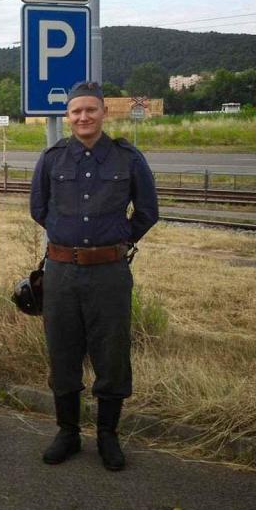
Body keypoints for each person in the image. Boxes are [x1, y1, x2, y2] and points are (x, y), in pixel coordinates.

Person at [29, 81, 159, 471]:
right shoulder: (52, 159)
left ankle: (107, 435)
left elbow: (147, 211)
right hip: (62, 273)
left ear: (104, 112)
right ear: (68, 116)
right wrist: (67, 240)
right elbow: (39, 209)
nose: (83, 117)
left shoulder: (128, 159)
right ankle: (67, 432)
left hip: (109, 273)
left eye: (90, 110)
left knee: (112, 353)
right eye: (76, 111)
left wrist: (117, 241)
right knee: (63, 351)